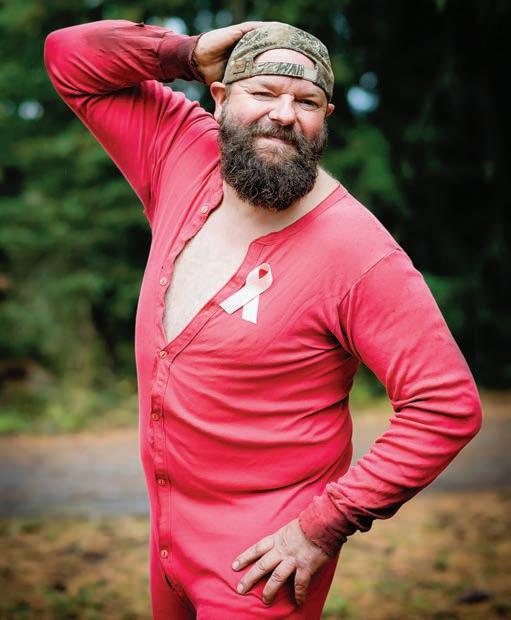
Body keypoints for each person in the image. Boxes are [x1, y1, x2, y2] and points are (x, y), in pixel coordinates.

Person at [43, 18, 482, 619]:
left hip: (263, 563)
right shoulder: (181, 152)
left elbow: (446, 405)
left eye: (307, 102)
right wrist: (185, 52)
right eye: (264, 92)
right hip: (168, 543)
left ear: (326, 117)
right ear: (220, 97)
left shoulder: (358, 253)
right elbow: (68, 58)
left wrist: (323, 526)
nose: (284, 114)